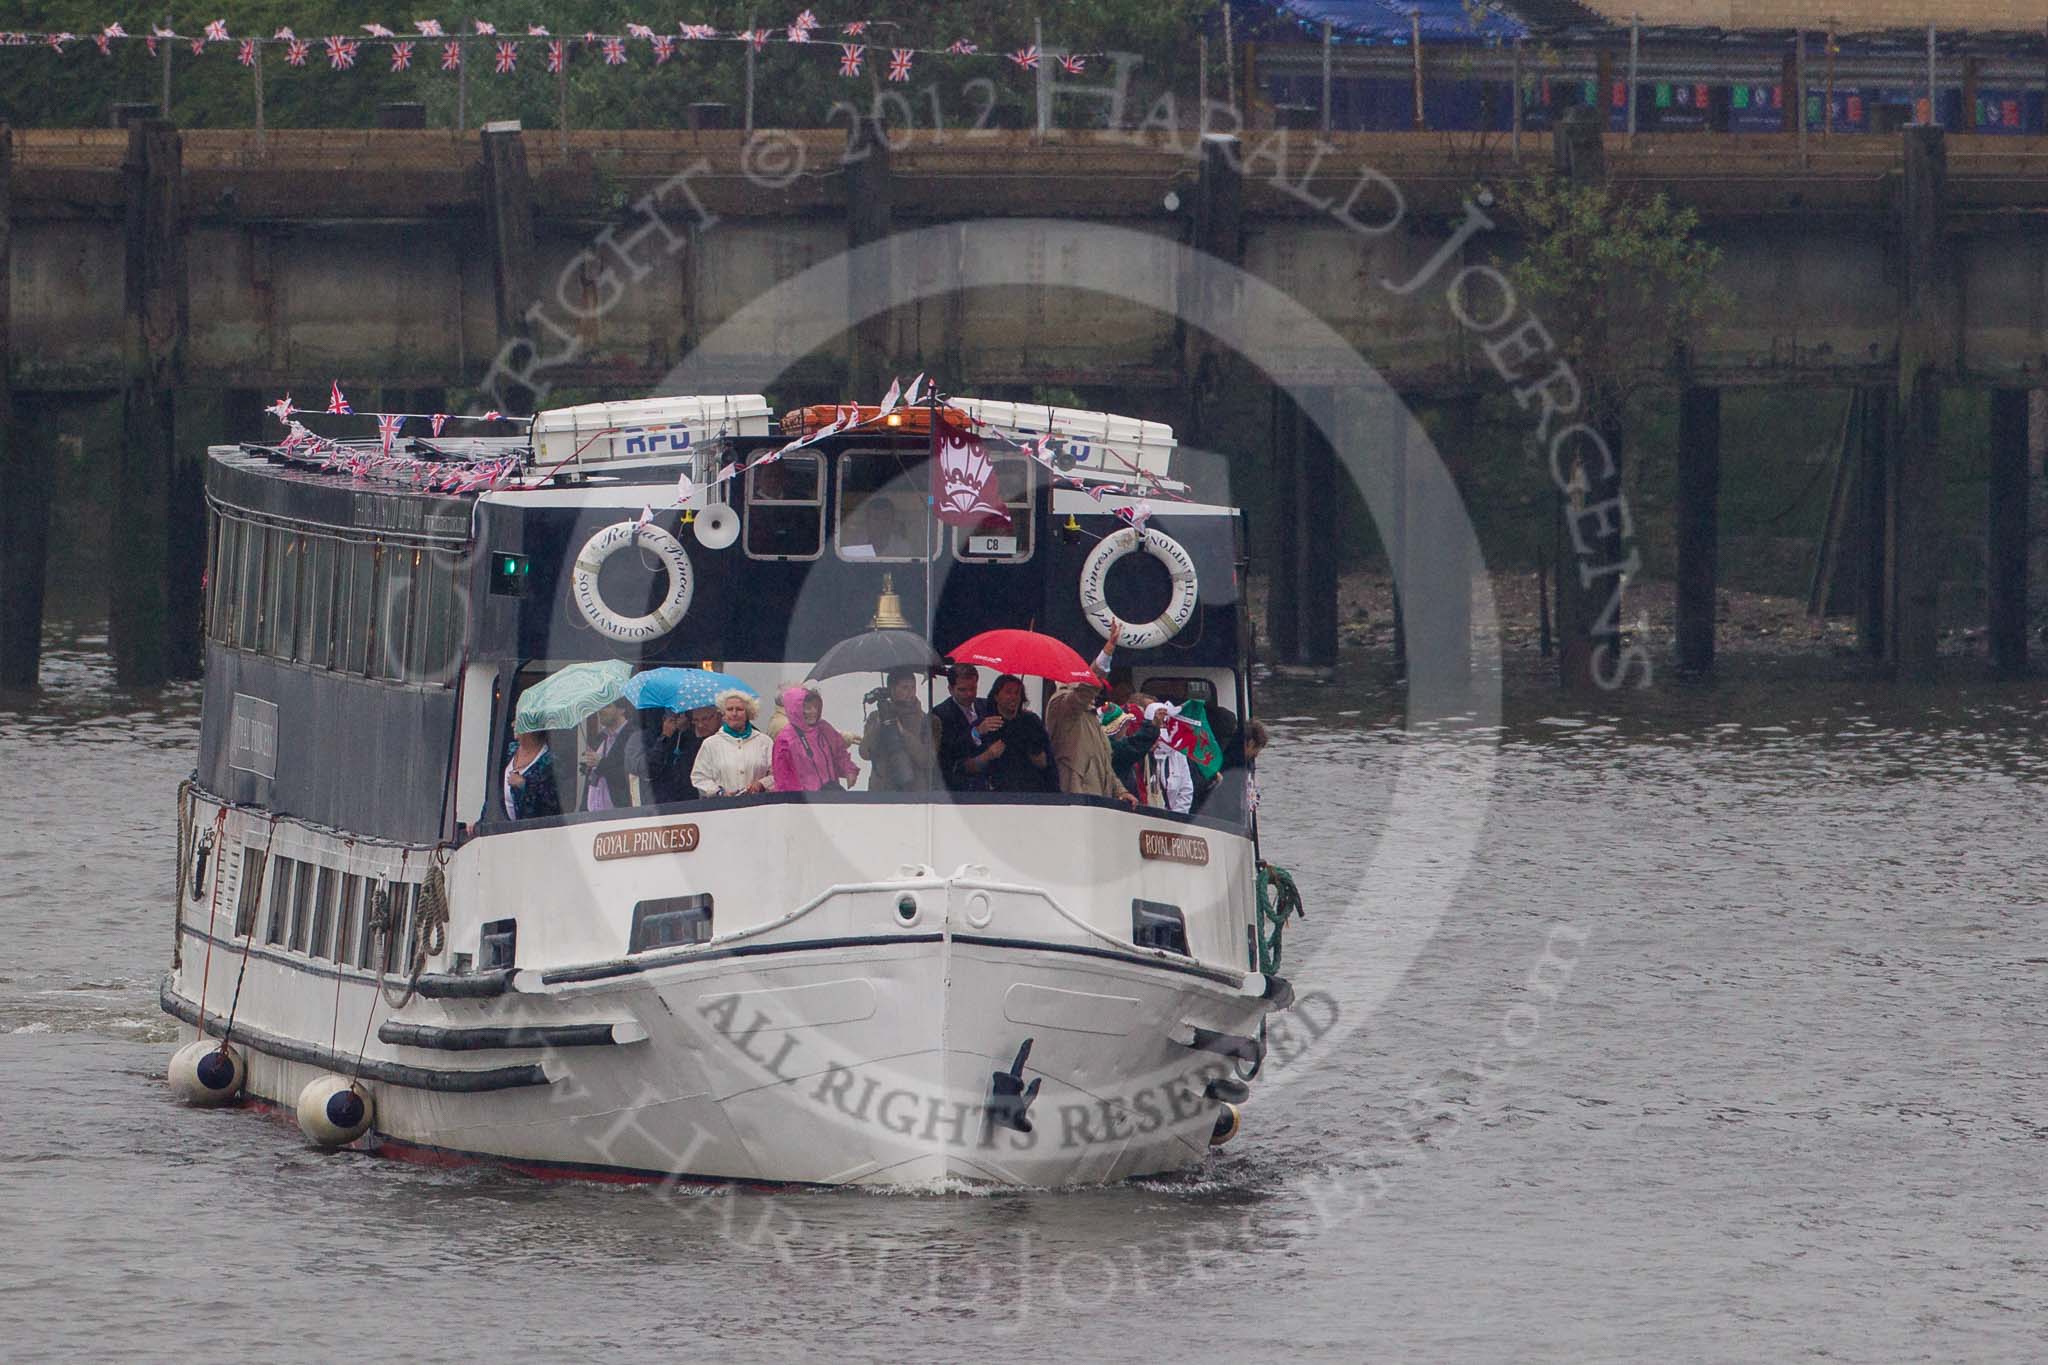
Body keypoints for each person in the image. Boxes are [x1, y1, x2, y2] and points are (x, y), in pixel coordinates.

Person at [1045, 675, 1138, 806]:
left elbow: (1105, 766)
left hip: (1095, 803)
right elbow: (1083, 693)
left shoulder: (1091, 717)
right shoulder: (1061, 705)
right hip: (1074, 801)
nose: (1097, 693)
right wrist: (1104, 658)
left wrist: (1120, 792)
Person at [964, 673, 1057, 793]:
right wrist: (987, 755)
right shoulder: (985, 724)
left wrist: (1034, 750)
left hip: (1030, 792)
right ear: (996, 696)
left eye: (1017, 693)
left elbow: (1046, 764)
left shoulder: (1031, 722)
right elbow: (966, 767)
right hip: (994, 795)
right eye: (1008, 692)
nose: (1013, 697)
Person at [772, 684, 861, 793]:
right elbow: (784, 779)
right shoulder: (785, 740)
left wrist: (849, 770)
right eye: (808, 708)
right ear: (795, 709)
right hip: (804, 802)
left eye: (816, 707)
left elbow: (839, 752)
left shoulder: (824, 728)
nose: (814, 711)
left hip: (831, 796)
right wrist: (799, 801)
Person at [861, 666, 938, 791]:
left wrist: (902, 732)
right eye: (905, 688)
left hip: (914, 792)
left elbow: (928, 760)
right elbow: (865, 753)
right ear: (892, 689)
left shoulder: (924, 719)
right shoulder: (875, 717)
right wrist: (880, 722)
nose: (910, 692)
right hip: (882, 791)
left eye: (913, 687)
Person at [692, 690, 775, 797]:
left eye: (739, 709)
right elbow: (699, 777)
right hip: (723, 808)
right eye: (730, 709)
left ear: (748, 713)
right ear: (724, 713)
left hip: (758, 806)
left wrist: (761, 784)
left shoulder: (764, 741)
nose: (734, 713)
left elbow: (777, 773)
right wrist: (719, 792)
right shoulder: (710, 744)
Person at [931, 664, 998, 792]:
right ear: (950, 689)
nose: (969, 694)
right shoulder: (940, 714)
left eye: (973, 688)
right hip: (958, 787)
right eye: (962, 690)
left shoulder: (987, 706)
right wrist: (976, 732)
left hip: (989, 784)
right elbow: (948, 752)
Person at [581, 699, 647, 812]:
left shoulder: (633, 736)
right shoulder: (600, 739)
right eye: (599, 707)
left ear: (622, 709)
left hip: (620, 814)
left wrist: (601, 763)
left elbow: (631, 776)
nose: (600, 711)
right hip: (594, 815)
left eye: (606, 706)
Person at [646, 705, 718, 804]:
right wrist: (665, 737)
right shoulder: (669, 738)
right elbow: (651, 769)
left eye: (705, 719)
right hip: (672, 802)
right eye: (696, 720)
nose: (700, 725)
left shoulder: (707, 741)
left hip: (704, 801)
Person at [503, 730, 561, 821]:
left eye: (519, 720)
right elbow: (494, 787)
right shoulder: (509, 750)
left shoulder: (550, 762)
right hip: (503, 829)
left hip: (533, 831)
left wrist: (524, 785)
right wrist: (481, 823)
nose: (513, 724)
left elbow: (551, 806)